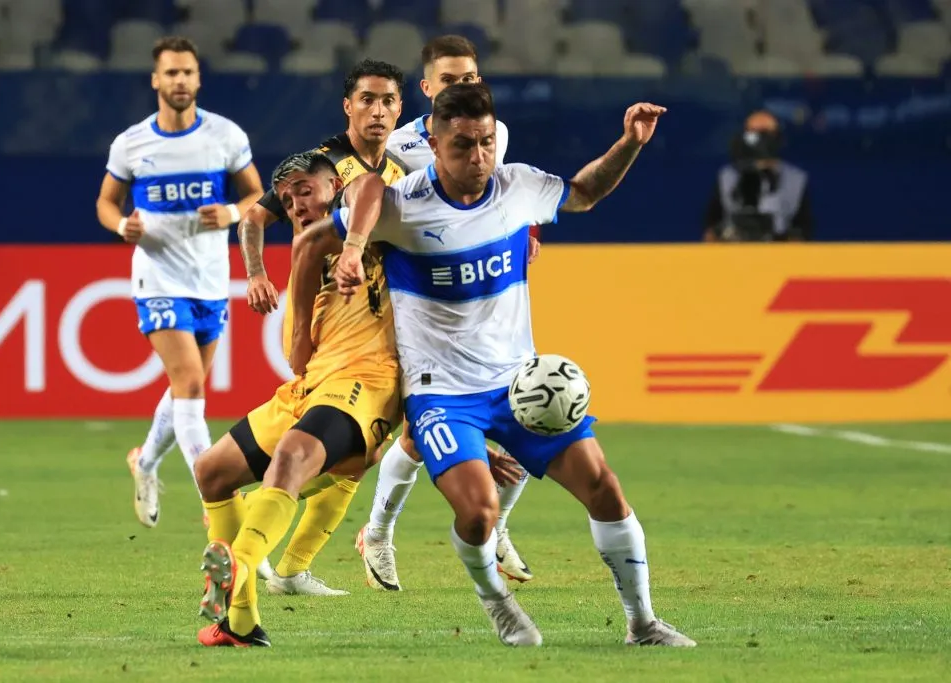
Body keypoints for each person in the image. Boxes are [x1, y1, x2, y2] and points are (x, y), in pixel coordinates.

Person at [328, 83, 695, 647]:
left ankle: (642, 622)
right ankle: (497, 603)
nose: (477, 158)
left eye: (484, 143)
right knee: (478, 513)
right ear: (432, 141)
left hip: (521, 388)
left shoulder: (517, 186)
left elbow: (584, 193)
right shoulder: (402, 206)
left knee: (605, 489)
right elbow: (360, 195)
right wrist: (353, 246)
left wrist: (630, 142)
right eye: (461, 147)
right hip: (441, 395)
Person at [194, 151, 518, 647]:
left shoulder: (380, 236)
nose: (298, 203)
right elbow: (299, 356)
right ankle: (240, 619)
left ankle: (238, 565)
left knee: (293, 458)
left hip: (366, 385)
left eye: (307, 190)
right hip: (311, 388)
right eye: (288, 198)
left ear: (334, 188)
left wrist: (463, 434)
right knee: (211, 470)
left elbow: (368, 188)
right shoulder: (309, 257)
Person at [358, 34, 536, 591]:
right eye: (451, 81)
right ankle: (378, 533)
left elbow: (495, 196)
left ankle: (498, 525)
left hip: (489, 298)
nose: (464, 88)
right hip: (423, 302)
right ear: (428, 89)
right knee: (419, 433)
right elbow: (369, 199)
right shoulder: (403, 146)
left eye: (471, 79)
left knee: (533, 410)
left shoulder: (494, 133)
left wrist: (524, 228)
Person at [229, 59, 410, 596]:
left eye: (388, 102)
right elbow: (255, 218)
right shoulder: (323, 164)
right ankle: (264, 513)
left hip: (369, 331)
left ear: (400, 109)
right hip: (332, 332)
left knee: (364, 452)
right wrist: (257, 274)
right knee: (355, 448)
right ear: (348, 106)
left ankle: (289, 568)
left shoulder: (399, 169)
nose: (378, 111)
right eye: (368, 100)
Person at [95, 36, 264, 530]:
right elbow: (106, 202)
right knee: (190, 382)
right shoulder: (131, 144)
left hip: (210, 279)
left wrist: (232, 211)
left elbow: (256, 194)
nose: (180, 81)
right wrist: (118, 225)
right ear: (156, 80)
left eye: (187, 72)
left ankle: (144, 462)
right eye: (170, 73)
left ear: (198, 77)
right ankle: (220, 501)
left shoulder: (225, 136)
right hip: (157, 276)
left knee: (184, 388)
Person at [704, 110, 813, 242]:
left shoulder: (795, 179)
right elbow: (710, 231)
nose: (760, 141)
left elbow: (804, 234)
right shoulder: (726, 177)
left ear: (778, 138)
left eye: (766, 134)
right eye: (753, 134)